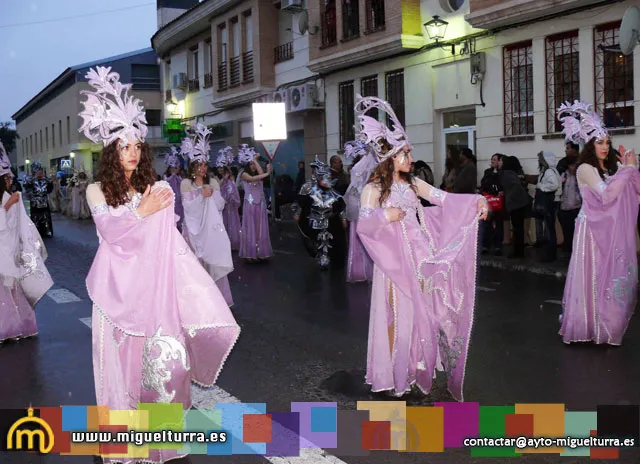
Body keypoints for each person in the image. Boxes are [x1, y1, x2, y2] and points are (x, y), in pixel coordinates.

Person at [78, 66, 240, 464]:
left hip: (152, 291)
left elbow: (170, 241)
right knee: (119, 369)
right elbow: (111, 231)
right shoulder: (97, 189)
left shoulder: (156, 187)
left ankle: (159, 438)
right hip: (116, 293)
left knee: (157, 366)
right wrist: (140, 213)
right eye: (124, 146)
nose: (133, 152)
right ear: (111, 152)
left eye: (137, 145)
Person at [354, 94, 488, 400]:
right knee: (397, 316)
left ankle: (413, 368)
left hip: (421, 259)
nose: (411, 160)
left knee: (421, 315)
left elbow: (444, 198)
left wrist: (476, 201)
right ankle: (392, 373)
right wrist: (385, 216)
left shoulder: (413, 184)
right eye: (405, 155)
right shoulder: (373, 189)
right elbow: (365, 224)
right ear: (390, 158)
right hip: (394, 265)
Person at [557, 100, 640, 345]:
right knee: (593, 276)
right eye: (600, 142)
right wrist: (627, 171)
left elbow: (625, 193)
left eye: (607, 142)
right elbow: (605, 195)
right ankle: (587, 324)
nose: (605, 147)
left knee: (609, 274)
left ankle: (605, 323)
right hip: (591, 229)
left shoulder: (610, 167)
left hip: (608, 227)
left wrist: (629, 170)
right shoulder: (584, 168)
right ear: (590, 145)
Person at [0, 142, 52, 343]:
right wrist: (6, 207)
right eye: (7, 178)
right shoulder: (7, 199)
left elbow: (19, 223)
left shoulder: (9, 195)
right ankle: (7, 328)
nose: (10, 180)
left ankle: (20, 325)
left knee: (15, 289)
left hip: (11, 250)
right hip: (2, 251)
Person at [181, 125, 235, 307]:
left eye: (205, 164)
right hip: (193, 231)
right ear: (192, 166)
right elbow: (188, 208)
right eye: (199, 165)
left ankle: (216, 302)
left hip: (211, 230)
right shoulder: (186, 184)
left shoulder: (212, 181)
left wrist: (212, 194)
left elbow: (220, 205)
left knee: (212, 263)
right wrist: (201, 197)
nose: (203, 168)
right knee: (195, 268)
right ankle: (198, 305)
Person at [343, 140, 374, 282]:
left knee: (360, 236)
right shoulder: (369, 163)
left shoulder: (363, 164)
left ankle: (361, 269)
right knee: (364, 236)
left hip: (359, 204)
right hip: (363, 204)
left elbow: (355, 186)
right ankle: (363, 269)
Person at [238, 145, 273, 262]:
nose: (253, 166)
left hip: (260, 205)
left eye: (253, 164)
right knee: (250, 229)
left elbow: (260, 173)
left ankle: (260, 252)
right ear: (246, 165)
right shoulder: (244, 174)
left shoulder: (258, 174)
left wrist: (256, 160)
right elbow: (253, 179)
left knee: (260, 228)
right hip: (250, 205)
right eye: (251, 164)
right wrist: (267, 174)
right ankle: (250, 253)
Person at [216, 147, 241, 251]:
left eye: (222, 167)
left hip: (229, 207)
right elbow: (217, 188)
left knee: (231, 224)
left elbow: (233, 193)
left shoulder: (230, 181)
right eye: (219, 167)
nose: (220, 169)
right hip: (222, 208)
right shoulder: (218, 179)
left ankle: (232, 243)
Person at [480, 154, 505, 255]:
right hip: (489, 200)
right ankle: (486, 245)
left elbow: (502, 185)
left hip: (499, 201)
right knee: (487, 223)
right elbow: (484, 184)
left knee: (499, 224)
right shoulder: (488, 172)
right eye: (492, 159)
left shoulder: (502, 172)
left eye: (495, 160)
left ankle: (498, 246)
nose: (493, 161)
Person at [25, 164, 53, 238]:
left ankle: (47, 230)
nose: (40, 173)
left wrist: (49, 181)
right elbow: (27, 189)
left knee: (46, 216)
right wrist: (32, 197)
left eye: (41, 172)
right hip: (35, 201)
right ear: (35, 172)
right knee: (35, 217)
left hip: (44, 200)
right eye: (38, 172)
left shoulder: (45, 180)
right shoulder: (31, 180)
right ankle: (36, 231)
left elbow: (50, 188)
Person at [162, 146, 185, 232]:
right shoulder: (165, 180)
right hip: (170, 210)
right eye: (172, 167)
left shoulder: (181, 180)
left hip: (181, 209)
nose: (174, 169)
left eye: (176, 167)